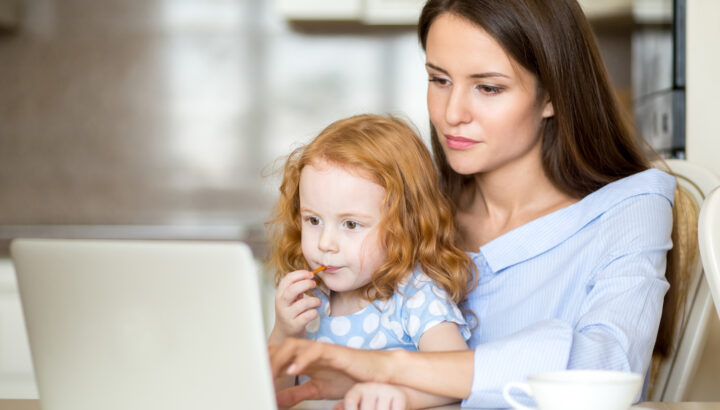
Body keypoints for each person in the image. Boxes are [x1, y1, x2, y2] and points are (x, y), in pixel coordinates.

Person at [268, 0, 694, 409]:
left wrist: (388, 367)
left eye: (488, 87)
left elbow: (608, 368)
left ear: (553, 96)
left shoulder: (628, 208)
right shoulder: (410, 217)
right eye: (439, 79)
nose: (452, 113)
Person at [266, 114, 478, 409]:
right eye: (313, 220)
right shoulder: (311, 297)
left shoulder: (416, 297)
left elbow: (460, 382)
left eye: (351, 225)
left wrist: (404, 398)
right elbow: (276, 396)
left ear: (406, 225)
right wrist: (285, 331)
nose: (325, 243)